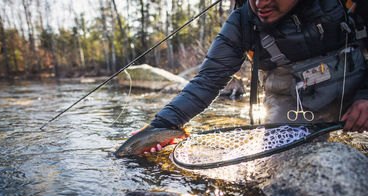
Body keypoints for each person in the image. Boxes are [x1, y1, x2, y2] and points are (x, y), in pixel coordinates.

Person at [146, 0, 368, 153]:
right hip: (292, 100)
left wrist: (366, 94)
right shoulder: (242, 22)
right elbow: (206, 82)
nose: (261, 4)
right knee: (276, 163)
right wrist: (159, 127)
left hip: (359, 79)